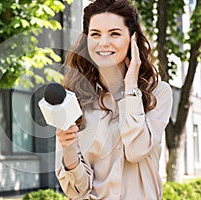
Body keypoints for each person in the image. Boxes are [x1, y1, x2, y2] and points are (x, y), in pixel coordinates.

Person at [55, 0, 173, 199]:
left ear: (132, 39)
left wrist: (131, 89)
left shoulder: (158, 93)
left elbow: (136, 150)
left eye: (114, 33)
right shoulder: (73, 99)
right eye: (95, 34)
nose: (103, 43)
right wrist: (68, 149)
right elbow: (78, 191)